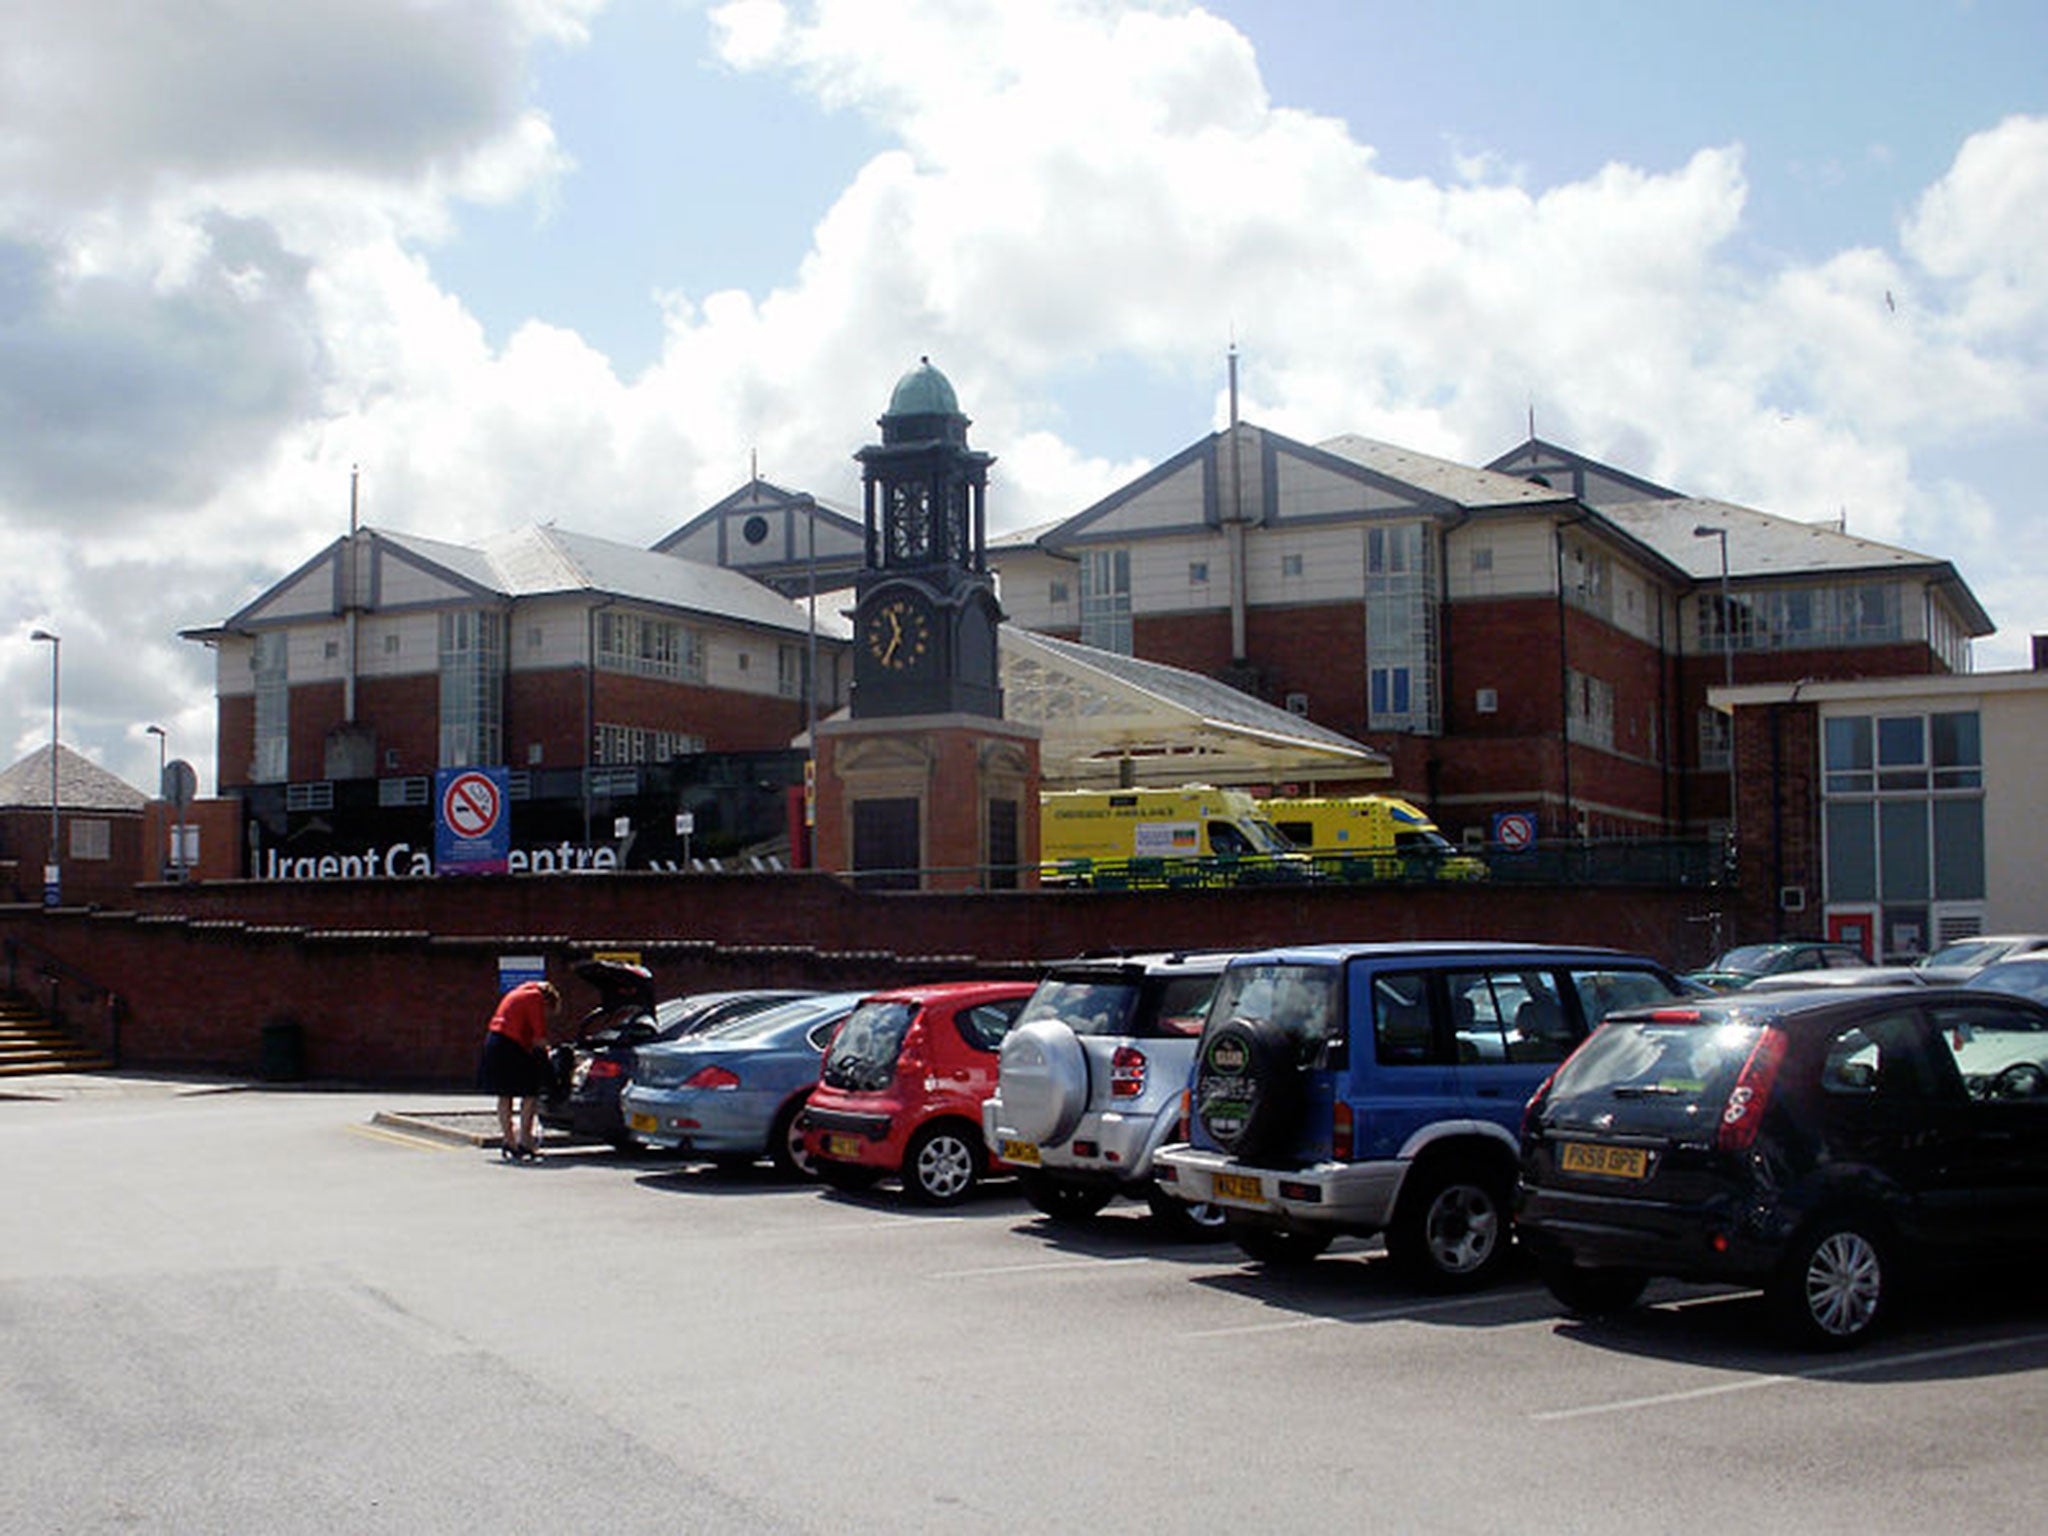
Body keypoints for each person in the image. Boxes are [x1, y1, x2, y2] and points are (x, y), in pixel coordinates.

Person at [479, 979, 561, 1161]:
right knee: (531, 1093)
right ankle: (525, 1140)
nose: (546, 1014)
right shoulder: (535, 997)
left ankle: (509, 1141)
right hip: (511, 1046)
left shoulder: (517, 993)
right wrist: (549, 1059)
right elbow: (539, 1035)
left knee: (505, 1094)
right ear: (548, 1001)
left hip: (495, 1042)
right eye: (547, 1011)